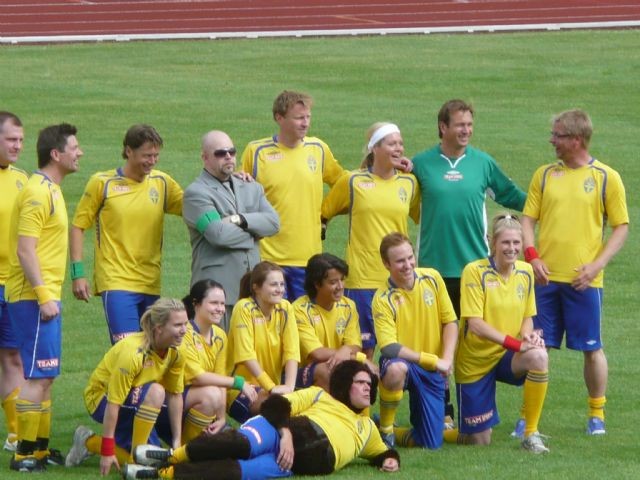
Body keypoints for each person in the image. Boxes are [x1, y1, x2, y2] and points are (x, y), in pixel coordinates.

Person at [412, 99, 526, 421]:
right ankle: (443, 408)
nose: (466, 130)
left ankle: (475, 410)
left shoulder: (482, 163)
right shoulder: (420, 164)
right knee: (437, 343)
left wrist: (547, 205)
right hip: (432, 270)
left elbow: (512, 195)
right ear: (443, 127)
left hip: (475, 271)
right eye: (460, 124)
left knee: (472, 342)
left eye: (470, 125)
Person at [521, 109, 628, 436]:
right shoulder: (544, 175)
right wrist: (532, 257)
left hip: (585, 282)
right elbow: (527, 220)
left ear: (577, 139)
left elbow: (621, 227)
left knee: (591, 348)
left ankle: (597, 414)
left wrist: (596, 265)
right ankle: (527, 418)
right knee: (538, 348)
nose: (552, 141)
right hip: (545, 279)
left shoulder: (606, 177)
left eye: (558, 135)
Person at [123, 360, 400, 480]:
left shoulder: (368, 429)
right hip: (277, 430)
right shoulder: (320, 395)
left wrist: (390, 460)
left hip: (293, 464)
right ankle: (172, 456)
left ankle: (161, 474)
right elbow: (277, 403)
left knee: (235, 473)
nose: (367, 388)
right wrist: (286, 434)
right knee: (240, 445)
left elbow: (384, 452)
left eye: (369, 385)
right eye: (360, 382)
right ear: (344, 383)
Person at [6, 123, 83, 472]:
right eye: (74, 148)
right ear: (56, 154)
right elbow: (25, 250)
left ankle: (39, 448)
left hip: (44, 297)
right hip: (34, 299)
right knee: (37, 376)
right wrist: (43, 296)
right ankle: (23, 453)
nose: (79, 153)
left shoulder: (50, 188)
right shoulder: (38, 193)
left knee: (46, 375)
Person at [70, 124, 183, 344]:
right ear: (129, 151)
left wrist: (232, 181)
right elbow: (78, 226)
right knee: (127, 348)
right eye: (146, 155)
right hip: (116, 281)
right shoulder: (102, 183)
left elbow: (195, 207)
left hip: (150, 281)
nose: (152, 161)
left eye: (156, 155)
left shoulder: (162, 183)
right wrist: (77, 274)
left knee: (152, 349)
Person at [322, 122, 420, 358]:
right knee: (363, 350)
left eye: (400, 143)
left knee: (400, 347)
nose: (399, 148)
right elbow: (324, 212)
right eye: (392, 143)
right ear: (374, 148)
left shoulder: (409, 183)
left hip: (398, 278)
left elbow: (423, 219)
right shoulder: (353, 182)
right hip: (362, 279)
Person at [454, 213, 549, 453]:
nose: (512, 248)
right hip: (475, 361)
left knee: (539, 356)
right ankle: (425, 434)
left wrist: (528, 336)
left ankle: (531, 434)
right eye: (506, 242)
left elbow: (527, 317)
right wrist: (516, 344)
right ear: (492, 242)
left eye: (516, 243)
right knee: (479, 440)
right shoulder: (474, 272)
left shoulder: (526, 272)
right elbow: (475, 324)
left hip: (506, 355)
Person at [64, 298, 188, 476]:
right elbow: (113, 403)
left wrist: (177, 442)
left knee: (158, 461)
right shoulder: (133, 353)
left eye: (185, 324)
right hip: (101, 399)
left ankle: (88, 442)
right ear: (159, 328)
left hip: (137, 397)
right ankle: (134, 459)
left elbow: (175, 395)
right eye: (177, 325)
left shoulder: (177, 350)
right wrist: (107, 451)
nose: (184, 330)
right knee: (156, 392)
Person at [240, 90, 344, 301]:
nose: (305, 123)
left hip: (308, 259)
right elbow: (239, 193)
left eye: (308, 117)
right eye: (299, 118)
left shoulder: (318, 149)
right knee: (271, 317)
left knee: (303, 318)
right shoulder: (257, 151)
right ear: (279, 118)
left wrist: (325, 214)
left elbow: (344, 185)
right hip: (267, 258)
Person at [183, 130, 280, 330]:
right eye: (220, 153)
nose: (228, 156)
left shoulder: (251, 187)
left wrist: (240, 219)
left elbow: (273, 223)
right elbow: (218, 235)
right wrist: (255, 233)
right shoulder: (196, 194)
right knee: (218, 347)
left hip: (252, 294)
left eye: (232, 151)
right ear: (205, 158)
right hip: (217, 297)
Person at [372, 232, 458, 449]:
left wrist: (447, 360)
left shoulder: (433, 278)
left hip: (431, 370)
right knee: (396, 369)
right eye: (400, 261)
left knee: (430, 442)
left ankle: (380, 427)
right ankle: (386, 430)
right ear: (386, 264)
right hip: (405, 362)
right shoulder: (382, 298)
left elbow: (450, 322)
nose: (408, 265)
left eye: (410, 257)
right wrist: (432, 360)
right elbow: (389, 348)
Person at [158, 280, 258, 444]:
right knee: (211, 394)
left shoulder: (220, 335)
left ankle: (198, 443)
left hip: (195, 401)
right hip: (166, 403)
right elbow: (197, 377)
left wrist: (221, 418)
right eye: (214, 303)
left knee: (231, 444)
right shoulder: (185, 334)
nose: (220, 308)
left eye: (222, 304)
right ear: (196, 304)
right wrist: (238, 382)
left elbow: (220, 379)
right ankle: (187, 447)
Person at [226, 262, 300, 424]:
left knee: (296, 407)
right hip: (240, 388)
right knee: (280, 410)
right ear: (256, 288)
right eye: (273, 284)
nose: (279, 289)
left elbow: (292, 351)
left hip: (272, 390)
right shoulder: (243, 308)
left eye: (282, 284)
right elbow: (247, 356)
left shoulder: (286, 307)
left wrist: (289, 387)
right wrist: (271, 387)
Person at [293, 253, 374, 391]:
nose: (340, 286)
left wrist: (346, 350)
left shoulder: (348, 305)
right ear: (317, 284)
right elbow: (317, 353)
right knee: (327, 371)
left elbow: (355, 345)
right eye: (333, 282)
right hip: (304, 372)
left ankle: (358, 408)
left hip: (339, 363)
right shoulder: (299, 310)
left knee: (368, 371)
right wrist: (353, 356)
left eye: (342, 280)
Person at [0, 112, 27, 453]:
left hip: (11, 285)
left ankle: (15, 434)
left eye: (20, 139)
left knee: (12, 357)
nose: (18, 146)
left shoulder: (22, 180)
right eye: (11, 139)